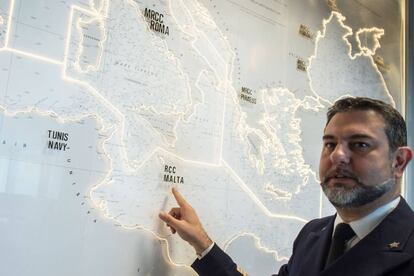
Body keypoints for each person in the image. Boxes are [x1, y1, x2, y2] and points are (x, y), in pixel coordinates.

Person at [159, 97, 414, 276]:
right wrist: (201, 242)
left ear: (398, 161)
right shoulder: (312, 235)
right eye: (329, 144)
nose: (337, 156)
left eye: (360, 144)